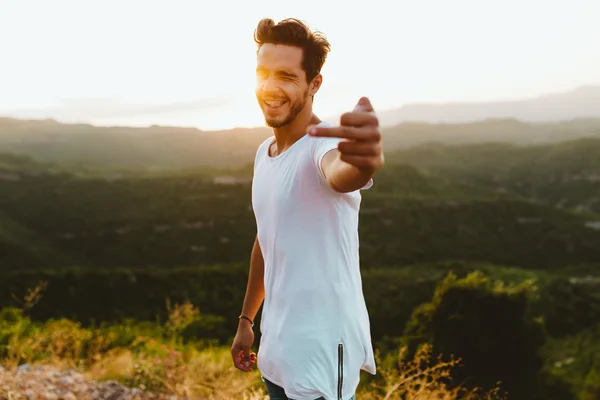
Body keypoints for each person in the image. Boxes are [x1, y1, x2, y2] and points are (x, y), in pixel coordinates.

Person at [231, 17, 384, 400]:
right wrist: (247, 320)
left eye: (286, 76)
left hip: (321, 352)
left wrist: (362, 162)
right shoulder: (263, 154)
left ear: (314, 84)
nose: (270, 87)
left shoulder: (322, 148)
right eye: (263, 74)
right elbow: (266, 239)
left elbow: (340, 172)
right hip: (276, 348)